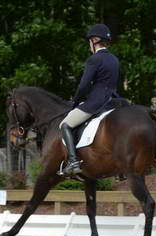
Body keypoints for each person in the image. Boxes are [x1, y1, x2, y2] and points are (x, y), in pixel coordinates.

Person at [59, 24, 121, 176]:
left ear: (94, 40)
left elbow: (84, 85)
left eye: (89, 42)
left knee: (65, 124)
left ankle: (73, 161)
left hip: (96, 103)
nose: (89, 46)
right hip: (113, 102)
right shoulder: (114, 59)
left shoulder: (94, 59)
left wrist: (76, 101)